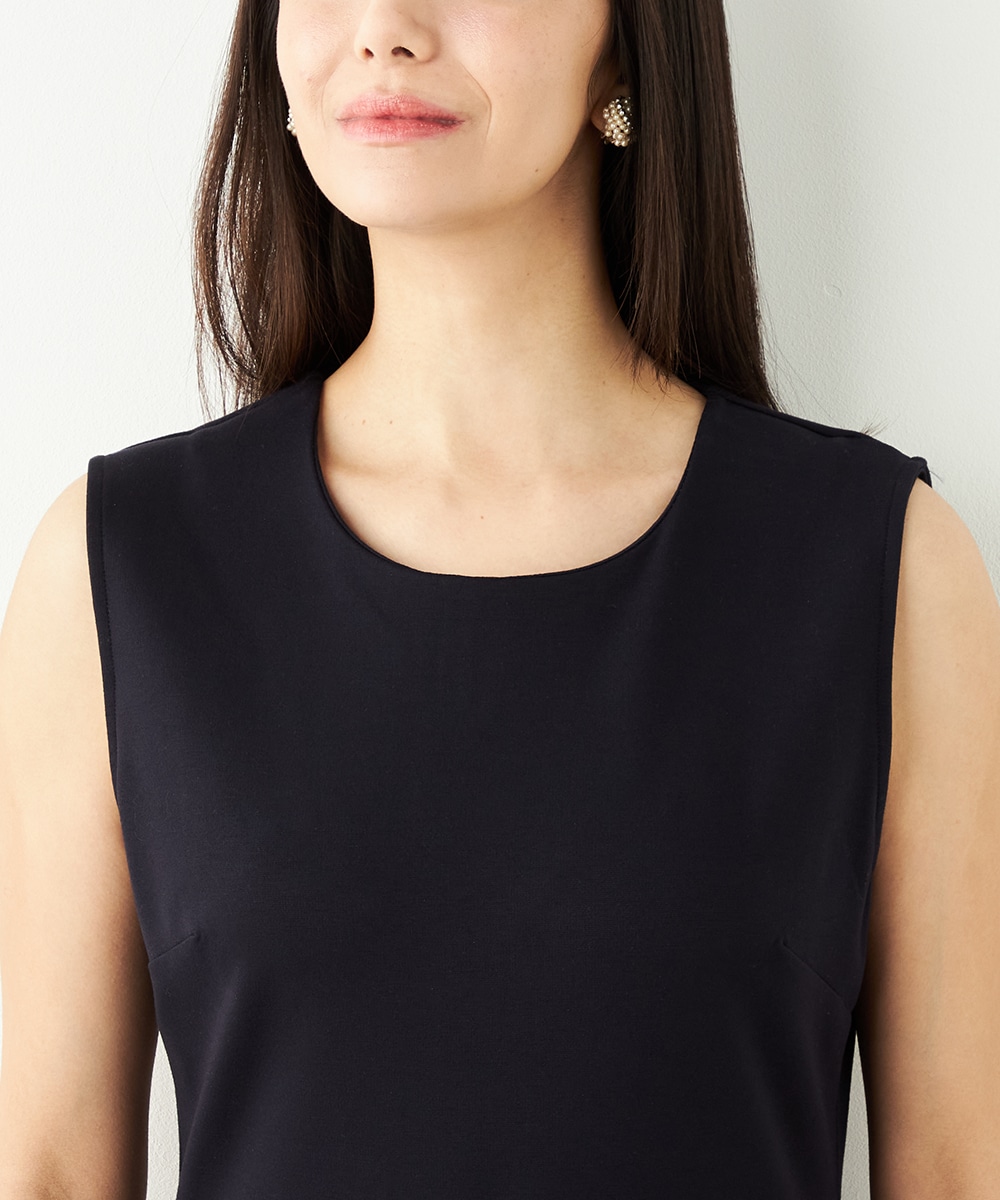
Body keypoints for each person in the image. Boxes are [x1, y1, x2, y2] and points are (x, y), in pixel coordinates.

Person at [1, 0, 998, 1196]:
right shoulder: (120, 571)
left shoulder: (882, 572)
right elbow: (48, 1172)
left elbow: (957, 1169)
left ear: (624, 40)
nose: (384, 26)